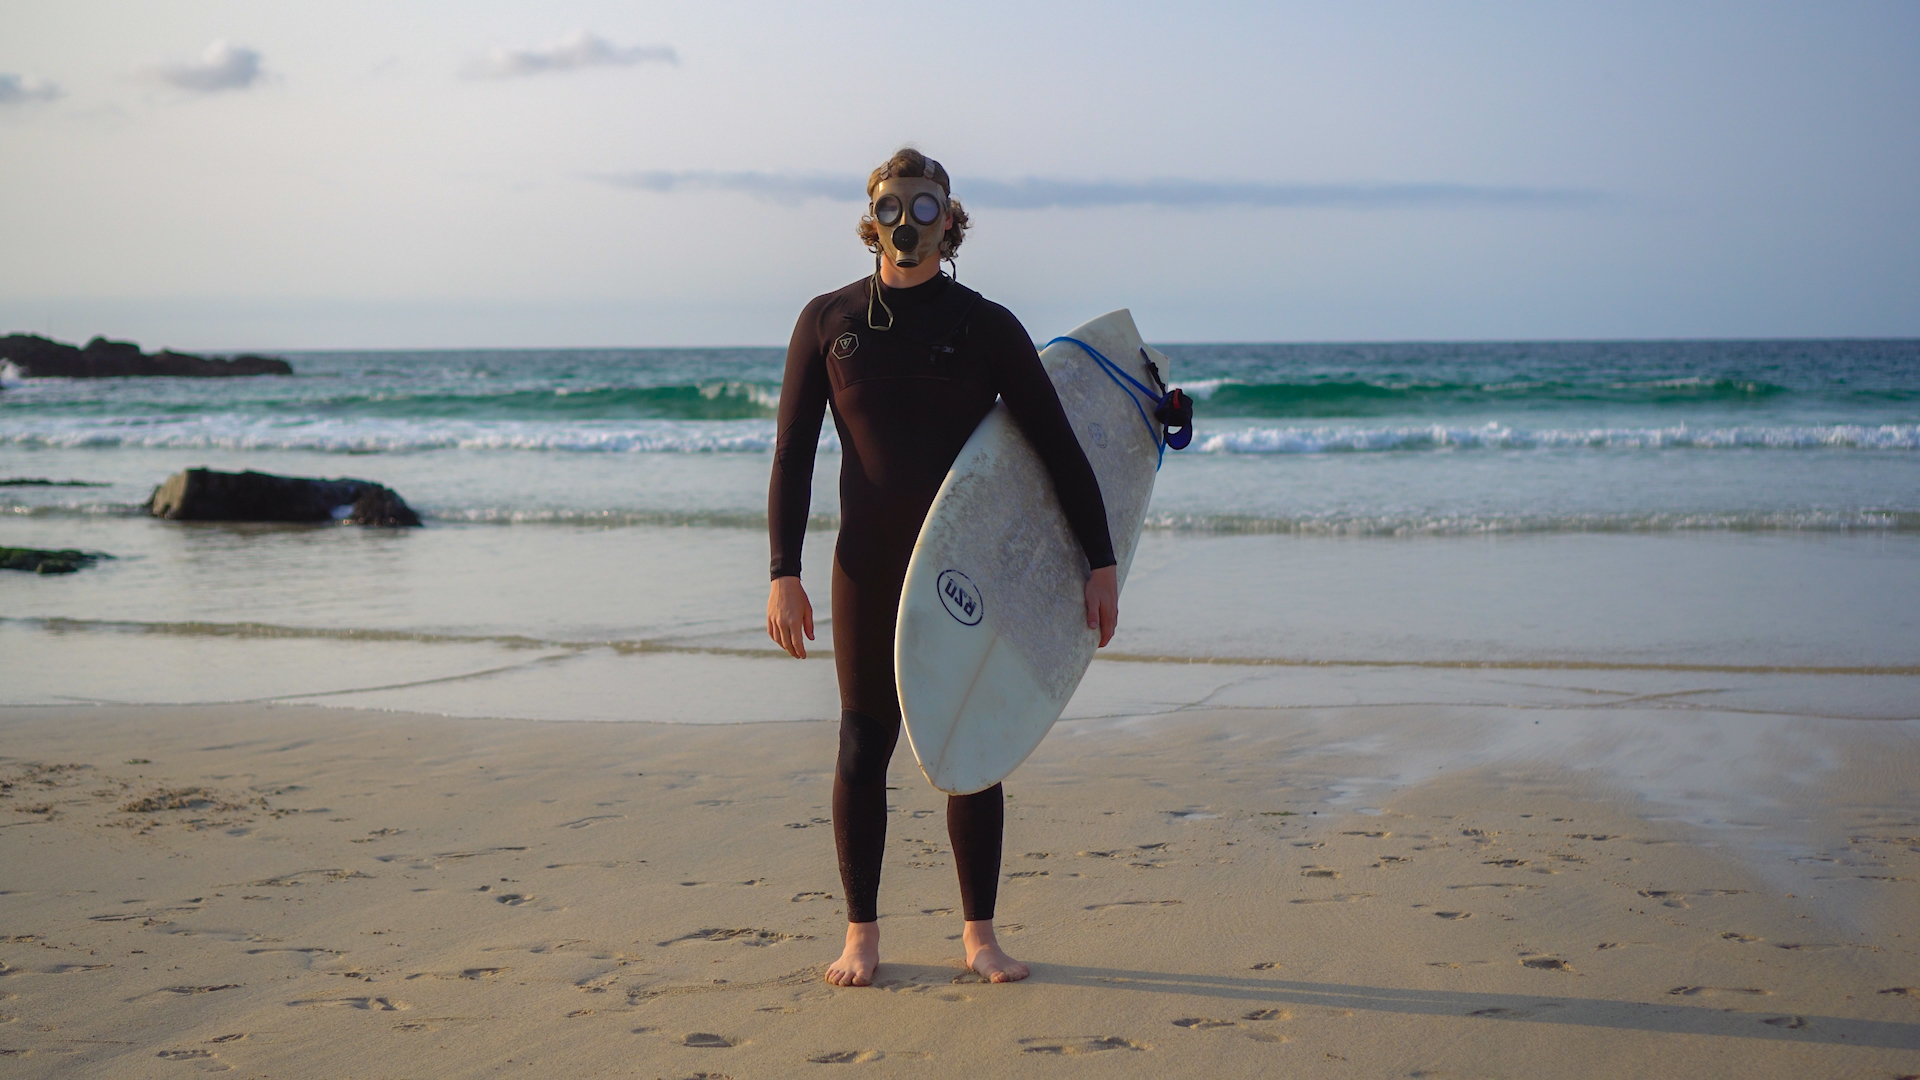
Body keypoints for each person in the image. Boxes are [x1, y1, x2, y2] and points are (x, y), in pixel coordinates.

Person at [766, 148, 1120, 987]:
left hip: (966, 569)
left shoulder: (987, 327)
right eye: (894, 207)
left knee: (972, 745)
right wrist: (784, 568)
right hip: (867, 566)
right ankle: (862, 934)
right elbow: (792, 453)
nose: (908, 224)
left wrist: (1099, 559)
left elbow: (1057, 448)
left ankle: (979, 936)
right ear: (872, 217)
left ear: (948, 220)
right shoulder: (828, 322)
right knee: (863, 742)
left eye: (926, 209)